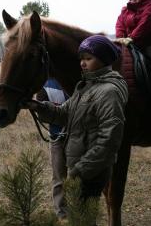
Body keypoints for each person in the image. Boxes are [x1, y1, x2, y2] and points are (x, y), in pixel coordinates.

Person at [24, 35, 128, 201]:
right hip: (81, 166)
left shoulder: (109, 92)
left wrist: (80, 169)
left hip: (91, 170)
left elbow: (110, 140)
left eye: (88, 58)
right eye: (81, 59)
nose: (82, 63)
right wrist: (38, 106)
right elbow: (64, 114)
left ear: (104, 60)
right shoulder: (86, 86)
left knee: (82, 216)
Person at [35, 79, 68, 221]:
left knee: (79, 175)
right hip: (57, 138)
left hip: (78, 137)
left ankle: (81, 212)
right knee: (59, 176)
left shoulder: (75, 77)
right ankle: (62, 215)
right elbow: (42, 113)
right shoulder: (45, 84)